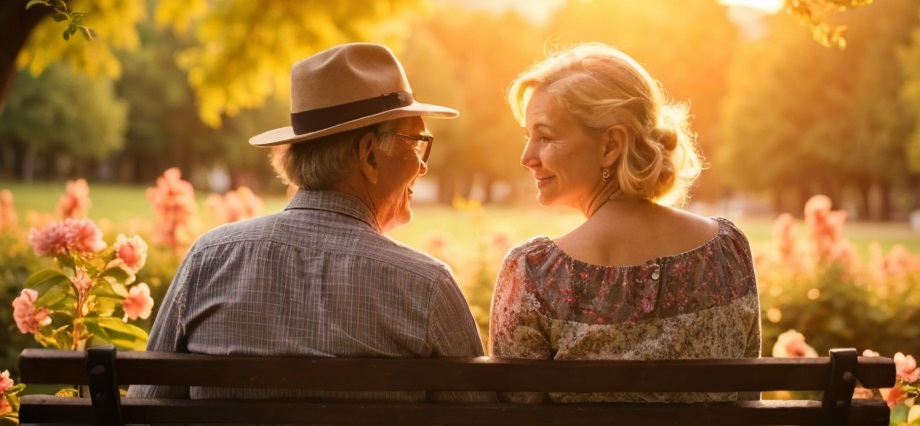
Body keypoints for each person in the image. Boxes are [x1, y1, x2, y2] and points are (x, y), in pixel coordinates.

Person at [128, 43, 490, 403]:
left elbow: (145, 404)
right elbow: (482, 418)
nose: (423, 165)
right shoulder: (426, 288)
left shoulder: (208, 260)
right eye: (417, 142)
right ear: (369, 155)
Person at [489, 43, 761, 404]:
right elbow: (746, 400)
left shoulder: (535, 275)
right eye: (529, 136)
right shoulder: (727, 250)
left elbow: (515, 416)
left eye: (545, 136)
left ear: (610, 146)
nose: (527, 157)